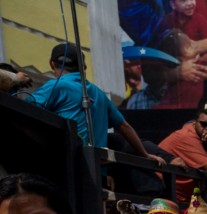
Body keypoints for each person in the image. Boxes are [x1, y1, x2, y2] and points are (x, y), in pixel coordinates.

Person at [26, 43, 163, 164]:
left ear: (51, 63)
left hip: (70, 169)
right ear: (83, 67)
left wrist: (14, 81)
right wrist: (144, 154)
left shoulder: (56, 86)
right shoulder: (99, 94)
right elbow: (124, 126)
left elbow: (26, 110)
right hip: (98, 171)